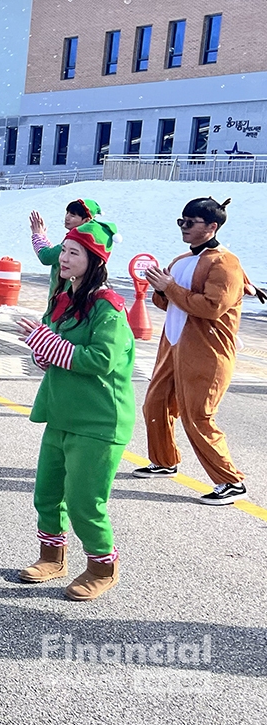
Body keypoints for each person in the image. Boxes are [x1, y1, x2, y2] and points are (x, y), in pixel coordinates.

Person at [15, 219, 133, 600]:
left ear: (94, 260)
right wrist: (41, 349)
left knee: (85, 501)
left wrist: (48, 344)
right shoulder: (64, 299)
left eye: (73, 252)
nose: (62, 259)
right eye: (63, 250)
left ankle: (103, 566)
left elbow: (102, 359)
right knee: (47, 493)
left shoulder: (108, 307)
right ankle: (53, 557)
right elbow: (52, 351)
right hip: (62, 411)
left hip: (98, 419)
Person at [136, 198, 258, 506]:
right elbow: (166, 302)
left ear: (212, 227)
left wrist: (170, 288)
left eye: (191, 222)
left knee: (198, 416)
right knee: (155, 404)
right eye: (182, 221)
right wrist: (161, 288)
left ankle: (230, 481)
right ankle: (164, 461)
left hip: (208, 351)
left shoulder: (225, 264)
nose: (184, 227)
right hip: (174, 344)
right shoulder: (181, 260)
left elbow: (212, 307)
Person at [29, 199, 101, 299]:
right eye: (67, 213)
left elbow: (47, 257)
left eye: (73, 215)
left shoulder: (78, 240)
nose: (67, 217)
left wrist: (38, 236)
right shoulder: (87, 237)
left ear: (86, 220)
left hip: (66, 296)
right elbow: (56, 254)